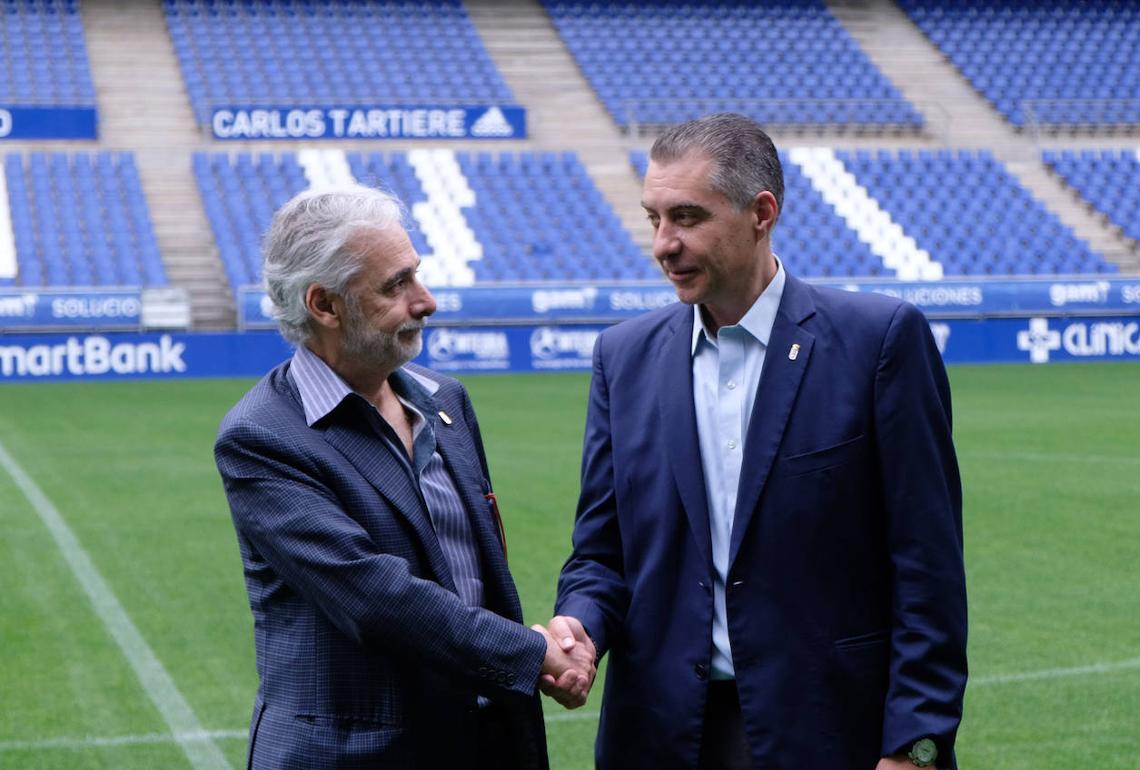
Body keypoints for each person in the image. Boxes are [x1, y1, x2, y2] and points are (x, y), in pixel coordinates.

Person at [546, 114, 967, 769]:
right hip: (659, 737)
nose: (663, 243)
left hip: (828, 733)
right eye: (653, 217)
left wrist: (914, 745)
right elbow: (601, 554)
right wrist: (581, 625)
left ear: (761, 212)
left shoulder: (878, 342)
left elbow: (927, 566)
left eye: (686, 217)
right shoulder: (622, 358)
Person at [214, 185, 593, 770]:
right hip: (356, 755)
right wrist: (532, 654)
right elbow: (374, 597)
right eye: (396, 285)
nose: (427, 300)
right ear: (325, 304)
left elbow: (482, 577)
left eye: (417, 275)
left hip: (487, 744)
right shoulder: (263, 438)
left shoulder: (447, 399)